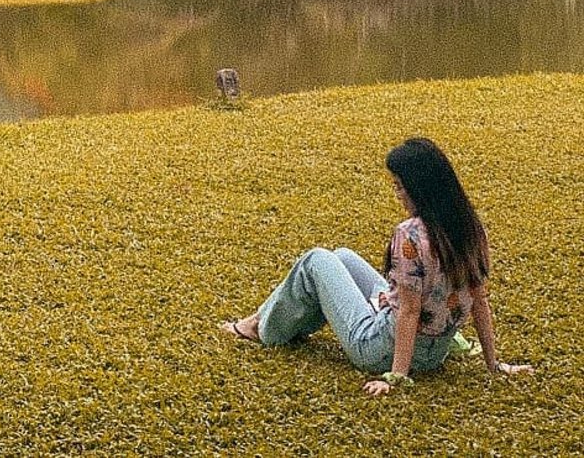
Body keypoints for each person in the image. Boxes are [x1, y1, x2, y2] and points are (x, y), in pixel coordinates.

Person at [220, 137, 534, 395]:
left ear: (419, 188)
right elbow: (479, 300)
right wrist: (494, 364)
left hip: (378, 348)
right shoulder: (470, 228)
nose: (397, 194)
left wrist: (394, 376)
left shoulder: (410, 234)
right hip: (434, 353)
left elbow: (410, 311)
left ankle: (261, 327)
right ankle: (266, 317)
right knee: (342, 256)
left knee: (316, 260)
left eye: (399, 186)